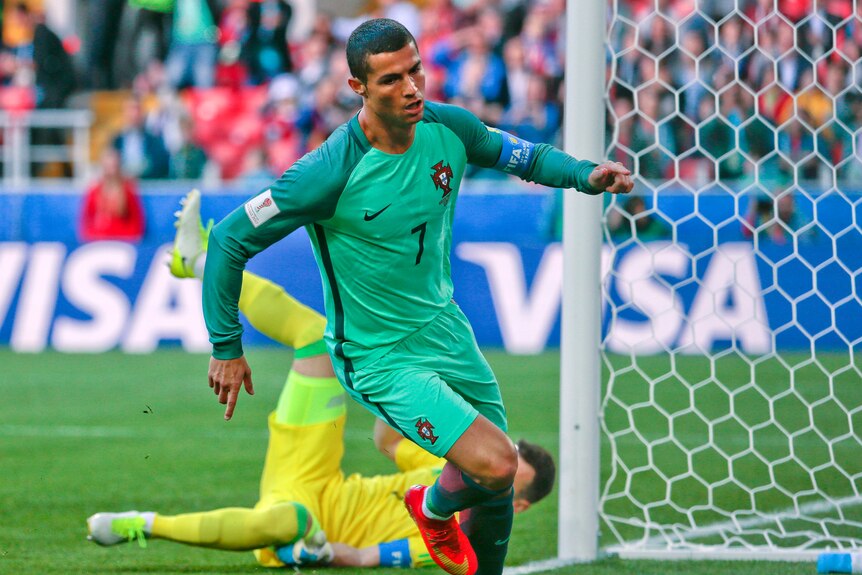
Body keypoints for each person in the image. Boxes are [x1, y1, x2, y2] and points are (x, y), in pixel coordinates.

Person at [202, 18, 632, 575]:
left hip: (446, 330)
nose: (411, 89)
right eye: (390, 80)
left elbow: (519, 156)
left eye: (416, 71)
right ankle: (429, 510)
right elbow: (231, 239)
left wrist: (583, 173)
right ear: (358, 87)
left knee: (493, 490)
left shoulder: (448, 127)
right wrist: (226, 345)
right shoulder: (328, 171)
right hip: (378, 355)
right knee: (500, 465)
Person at [86, 191, 557, 570]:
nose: (492, 462)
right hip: (313, 473)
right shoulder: (445, 471)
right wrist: (411, 389)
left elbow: (366, 556)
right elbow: (387, 436)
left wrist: (323, 552)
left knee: (287, 519)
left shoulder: (455, 542)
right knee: (315, 339)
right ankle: (198, 261)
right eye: (504, 453)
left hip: (304, 521)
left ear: (516, 508)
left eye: (507, 474)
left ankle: (142, 525)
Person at [79, 147, 146, 242]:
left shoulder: (128, 189)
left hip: (123, 240)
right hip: (98, 240)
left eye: (113, 166)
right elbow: (86, 219)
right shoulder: (94, 191)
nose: (110, 170)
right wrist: (91, 236)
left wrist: (131, 238)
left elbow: (137, 220)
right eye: (108, 166)